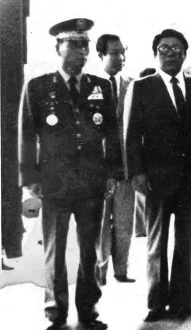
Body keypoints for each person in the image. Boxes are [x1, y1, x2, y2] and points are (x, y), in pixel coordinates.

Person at [19, 18, 121, 330]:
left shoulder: (100, 86)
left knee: (90, 250)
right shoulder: (38, 87)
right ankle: (56, 312)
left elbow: (112, 133)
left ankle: (88, 310)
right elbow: (27, 135)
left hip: (91, 180)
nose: (82, 51)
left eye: (86, 45)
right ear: (58, 47)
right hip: (54, 182)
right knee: (55, 250)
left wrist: (113, 172)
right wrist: (30, 178)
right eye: (74, 44)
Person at [124, 29, 191, 322]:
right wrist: (137, 173)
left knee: (184, 240)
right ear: (155, 54)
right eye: (163, 49)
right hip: (156, 178)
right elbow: (131, 135)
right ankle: (156, 303)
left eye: (176, 49)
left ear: (185, 54)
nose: (170, 54)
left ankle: (182, 301)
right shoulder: (142, 87)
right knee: (157, 241)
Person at [94, 34, 137, 285]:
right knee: (100, 222)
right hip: (99, 170)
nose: (121, 57)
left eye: (123, 52)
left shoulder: (132, 85)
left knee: (124, 221)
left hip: (126, 168)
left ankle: (121, 270)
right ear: (101, 55)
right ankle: (99, 271)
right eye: (114, 53)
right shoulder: (89, 85)